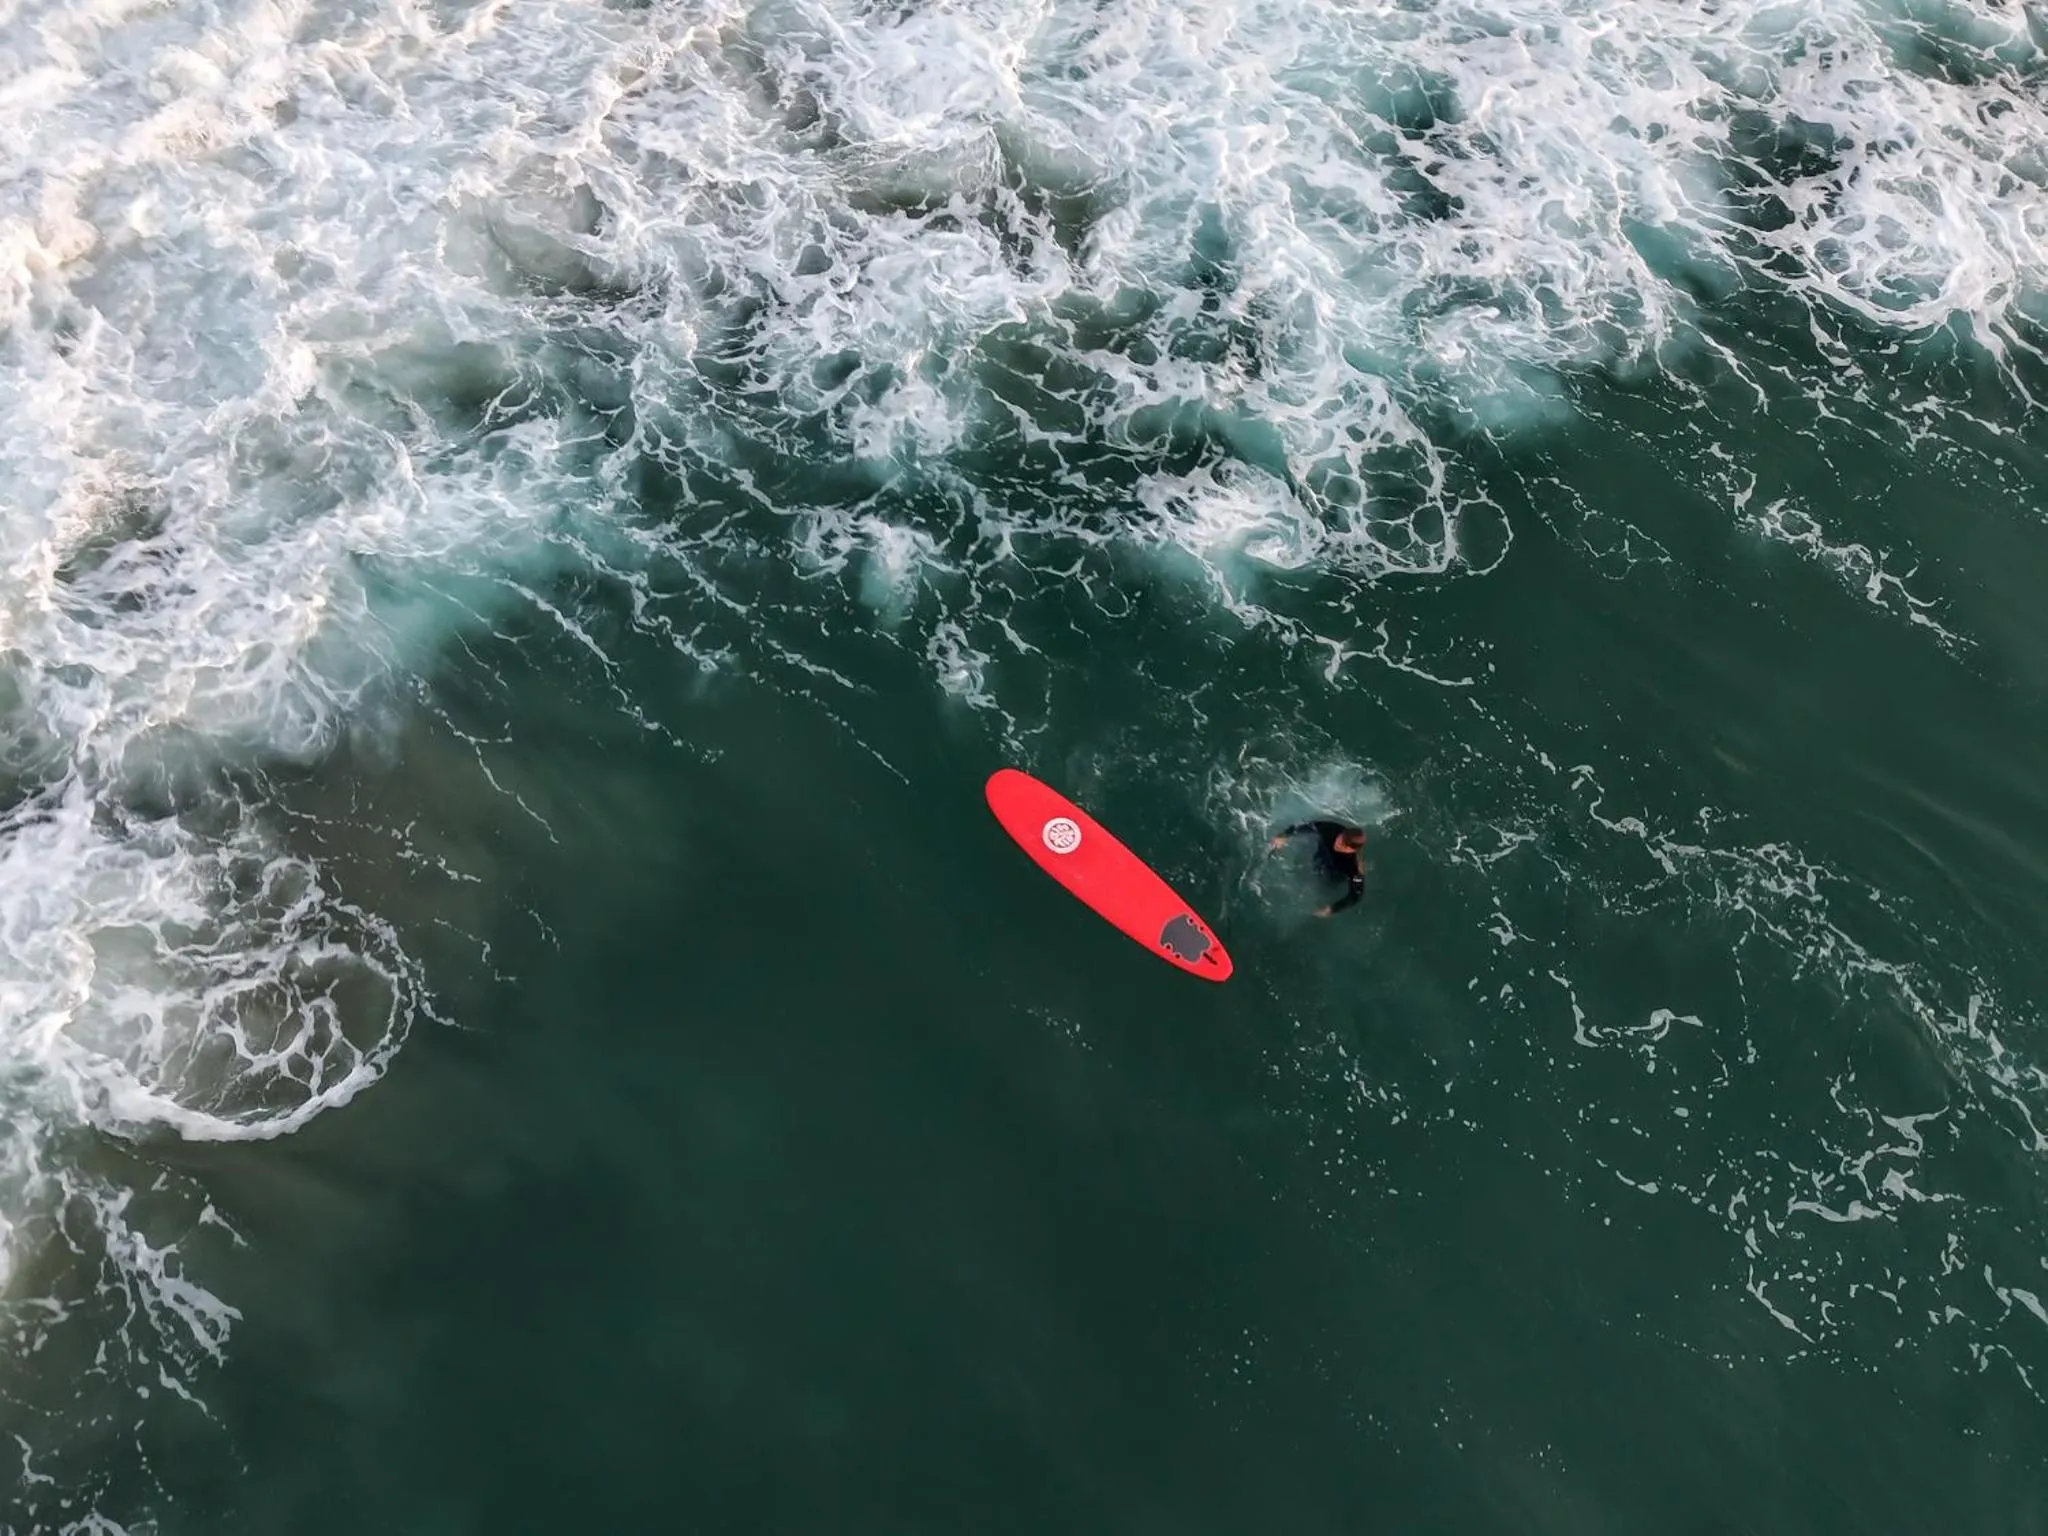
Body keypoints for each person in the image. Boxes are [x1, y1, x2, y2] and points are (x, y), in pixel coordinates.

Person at [1268, 820, 1367, 916]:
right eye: (1339, 839)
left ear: (1351, 849)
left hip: (1336, 872)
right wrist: (1285, 835)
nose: (1336, 843)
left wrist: (1332, 909)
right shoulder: (1333, 829)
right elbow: (1308, 825)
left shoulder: (1355, 867)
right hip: (1321, 856)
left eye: (1342, 845)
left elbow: (1356, 895)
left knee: (1327, 885)